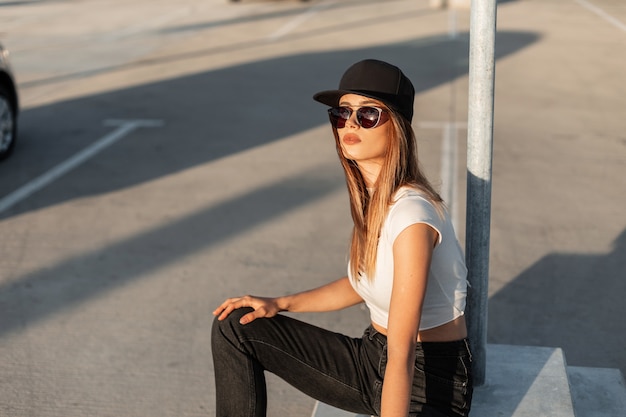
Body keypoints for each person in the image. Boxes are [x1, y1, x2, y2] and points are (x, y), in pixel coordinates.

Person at [211, 59, 473, 417]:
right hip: (370, 359)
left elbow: (402, 352)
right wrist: (279, 303)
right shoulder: (374, 199)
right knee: (236, 325)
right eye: (342, 113)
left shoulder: (412, 216)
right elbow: (361, 283)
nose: (350, 123)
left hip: (426, 381)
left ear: (396, 126)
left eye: (367, 114)